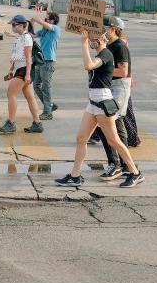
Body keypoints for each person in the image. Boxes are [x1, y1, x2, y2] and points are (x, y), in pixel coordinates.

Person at [54, 29, 144, 189]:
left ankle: (135, 173)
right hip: (94, 102)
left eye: (93, 39)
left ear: (102, 39)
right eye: (90, 39)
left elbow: (88, 66)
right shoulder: (100, 54)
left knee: (113, 140)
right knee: (81, 138)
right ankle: (75, 176)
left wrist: (83, 44)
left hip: (103, 101)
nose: (90, 41)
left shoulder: (106, 54)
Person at [99, 16, 134, 179]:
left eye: (105, 28)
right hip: (110, 87)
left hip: (119, 87)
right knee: (116, 126)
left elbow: (123, 71)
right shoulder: (109, 46)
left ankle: (117, 164)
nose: (103, 31)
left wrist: (101, 70)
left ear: (113, 29)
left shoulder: (120, 46)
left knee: (108, 124)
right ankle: (124, 164)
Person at [0, 15, 42, 135]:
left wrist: (27, 74)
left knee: (11, 93)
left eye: (13, 25)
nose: (12, 26)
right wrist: (11, 70)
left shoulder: (26, 38)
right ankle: (37, 123)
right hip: (20, 69)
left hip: (24, 69)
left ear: (21, 26)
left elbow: (28, 58)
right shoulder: (20, 37)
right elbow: (17, 56)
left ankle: (11, 123)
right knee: (30, 97)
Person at [29, 12, 62, 120]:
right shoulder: (44, 31)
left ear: (52, 21)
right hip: (40, 61)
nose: (45, 21)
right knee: (36, 85)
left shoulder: (56, 29)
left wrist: (38, 19)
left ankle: (47, 112)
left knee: (46, 87)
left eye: (47, 19)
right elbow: (32, 35)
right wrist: (31, 24)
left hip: (49, 61)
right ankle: (50, 105)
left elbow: (47, 25)